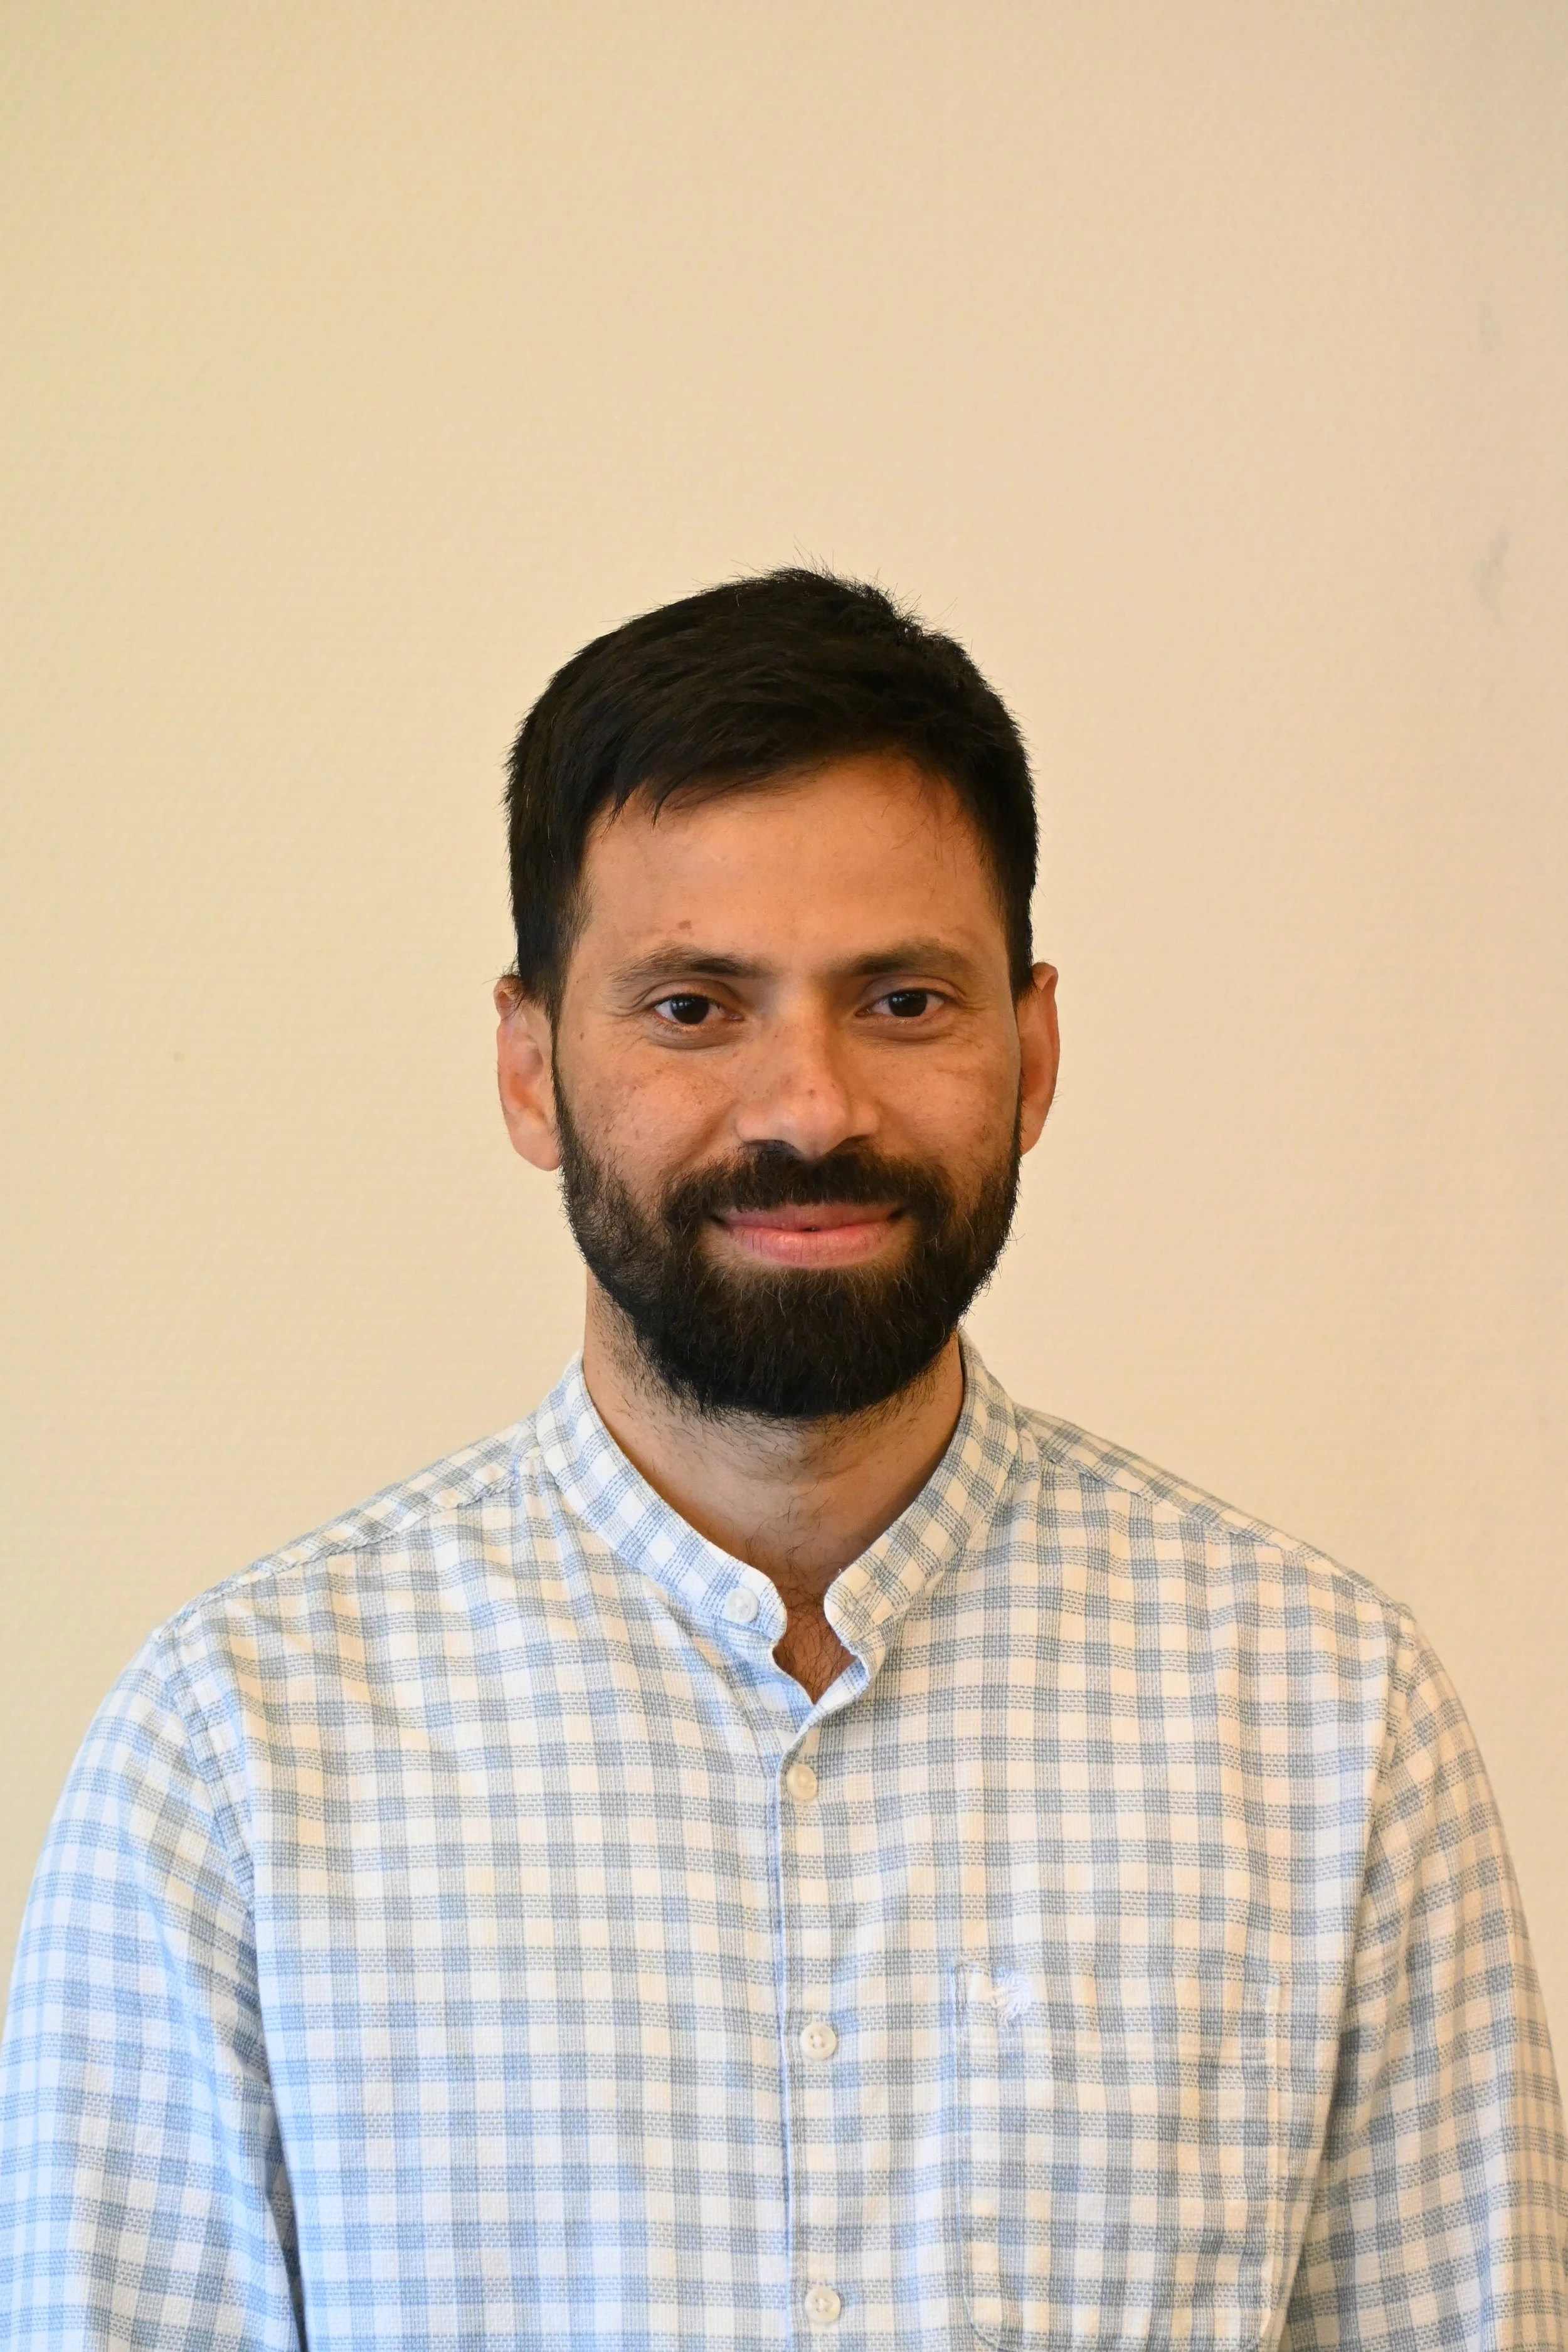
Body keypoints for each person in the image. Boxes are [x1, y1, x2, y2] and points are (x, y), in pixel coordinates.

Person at [1, 571, 1562, 2351]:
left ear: (1032, 1052)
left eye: (902, 1000)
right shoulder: (237, 1762)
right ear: (529, 1067)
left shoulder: (1325, 1723)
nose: (809, 1104)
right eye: (693, 1005)